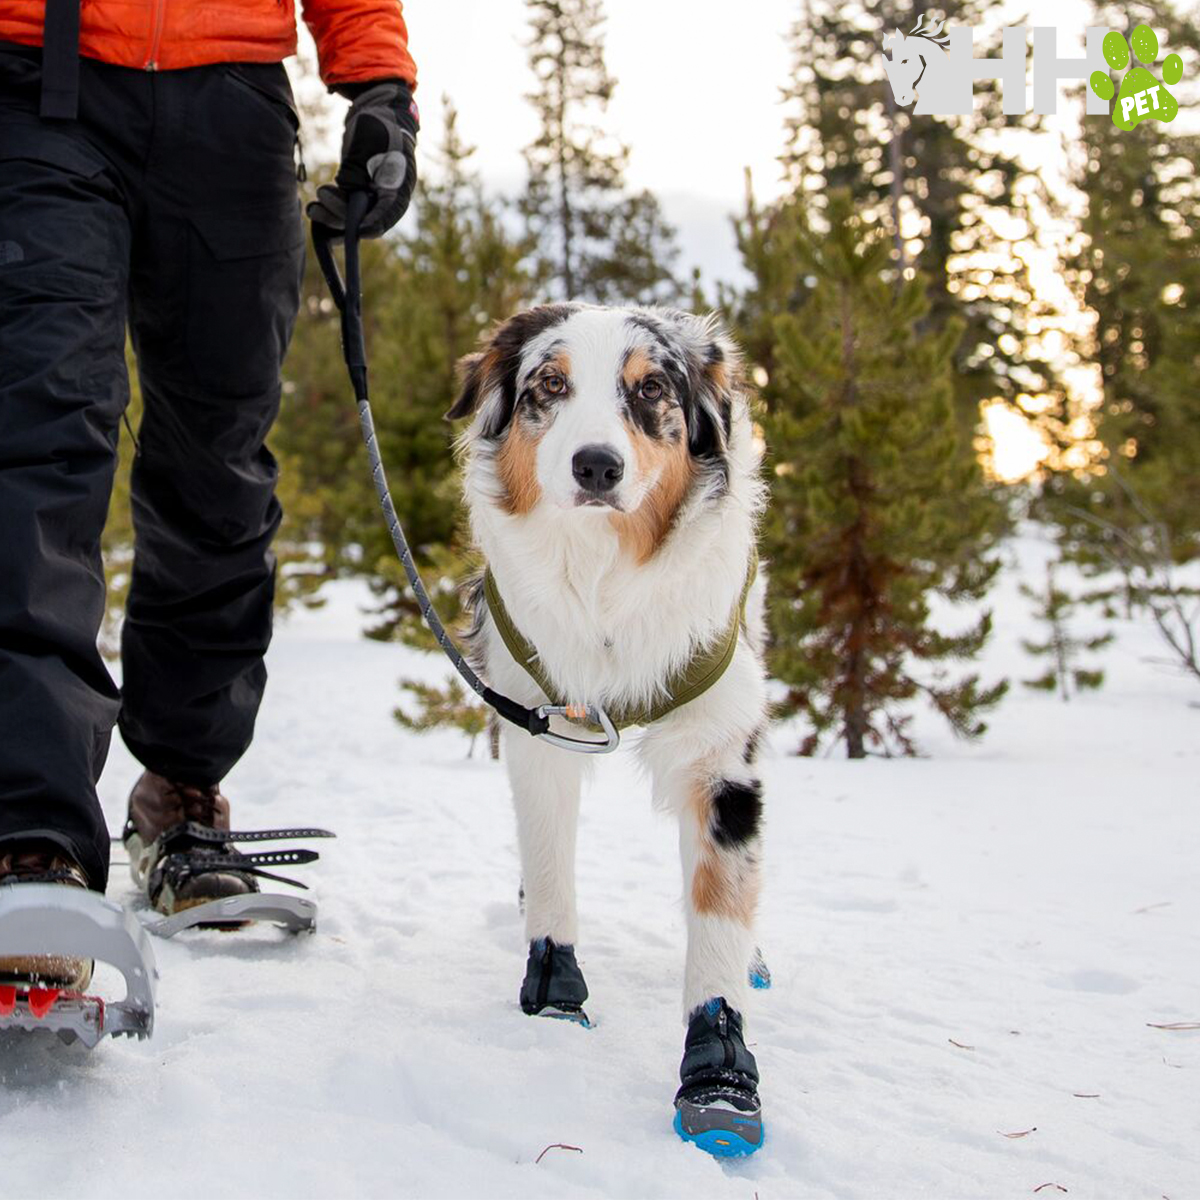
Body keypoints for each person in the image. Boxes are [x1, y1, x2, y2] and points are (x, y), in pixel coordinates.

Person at [0, 0, 417, 989]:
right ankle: (29, 836)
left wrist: (382, 89)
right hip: (39, 84)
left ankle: (182, 794)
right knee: (39, 437)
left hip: (232, 105)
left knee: (218, 456)